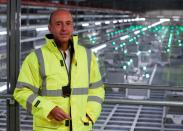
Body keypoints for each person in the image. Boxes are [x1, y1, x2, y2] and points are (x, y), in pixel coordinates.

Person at [13, 9, 105, 131]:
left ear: (72, 27)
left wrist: (90, 115)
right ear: (50, 28)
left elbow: (97, 89)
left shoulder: (88, 56)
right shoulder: (36, 58)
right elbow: (22, 92)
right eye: (58, 24)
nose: (64, 29)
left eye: (68, 23)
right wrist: (49, 109)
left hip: (81, 127)